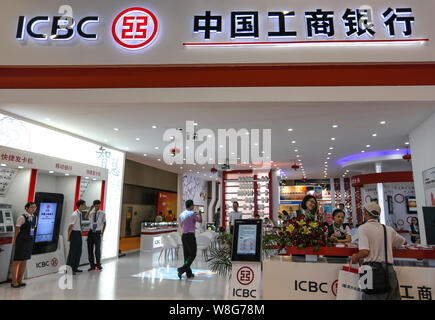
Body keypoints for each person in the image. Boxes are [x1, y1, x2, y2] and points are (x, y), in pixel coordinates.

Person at [351, 202, 406, 300]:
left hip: (370, 271)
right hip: (389, 271)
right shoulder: (388, 229)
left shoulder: (363, 228)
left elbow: (365, 251)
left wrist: (356, 256)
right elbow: (403, 241)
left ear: (366, 213)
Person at [10, 202, 38, 288]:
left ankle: (19, 280)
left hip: (29, 241)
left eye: (35, 207)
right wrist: (14, 240)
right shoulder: (22, 217)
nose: (33, 209)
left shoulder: (35, 217)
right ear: (26, 208)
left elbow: (33, 229)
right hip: (21, 241)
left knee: (24, 261)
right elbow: (17, 230)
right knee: (17, 261)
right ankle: (13, 281)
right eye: (32, 207)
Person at [177, 200, 202, 279]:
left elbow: (181, 225)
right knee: (193, 254)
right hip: (190, 236)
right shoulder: (192, 214)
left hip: (184, 236)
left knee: (186, 255)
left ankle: (189, 274)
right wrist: (200, 214)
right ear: (191, 206)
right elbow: (200, 221)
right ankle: (181, 269)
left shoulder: (181, 215)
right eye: (193, 205)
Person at [84, 200, 106, 271]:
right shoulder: (91, 213)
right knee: (90, 250)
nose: (98, 206)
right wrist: (90, 209)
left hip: (97, 233)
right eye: (96, 205)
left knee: (97, 250)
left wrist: (102, 232)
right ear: (94, 205)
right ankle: (92, 265)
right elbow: (85, 217)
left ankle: (98, 264)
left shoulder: (102, 213)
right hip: (91, 233)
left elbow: (105, 223)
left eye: (99, 205)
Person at [67, 199, 87, 275]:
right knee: (72, 252)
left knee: (78, 252)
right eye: (84, 205)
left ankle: (75, 267)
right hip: (74, 234)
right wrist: (68, 237)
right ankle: (69, 269)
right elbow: (70, 227)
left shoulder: (80, 213)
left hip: (79, 234)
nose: (85, 206)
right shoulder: (74, 214)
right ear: (81, 205)